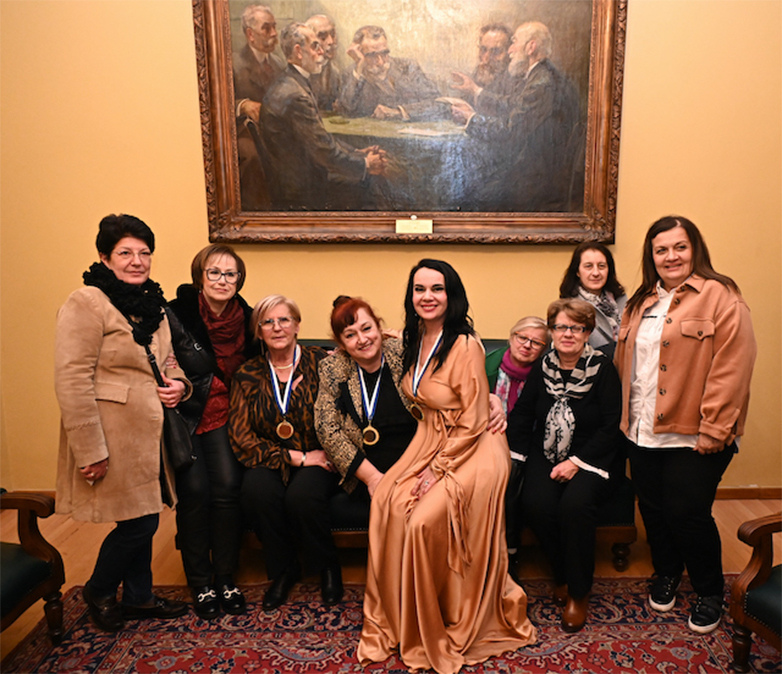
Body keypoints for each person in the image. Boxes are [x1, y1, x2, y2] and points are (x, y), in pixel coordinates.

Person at [358, 259, 536, 674]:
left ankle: (442, 617)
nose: (427, 297)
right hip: (432, 437)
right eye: (419, 289)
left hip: (475, 445)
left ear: (451, 294)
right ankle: (403, 616)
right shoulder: (413, 337)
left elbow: (473, 418)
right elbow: (378, 337)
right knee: (386, 500)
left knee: (423, 520)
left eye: (436, 289)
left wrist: (435, 471)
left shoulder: (466, 344)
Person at [614, 216, 756, 634]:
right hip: (641, 430)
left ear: (695, 249)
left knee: (688, 513)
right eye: (661, 250)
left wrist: (715, 428)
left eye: (680, 247)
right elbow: (627, 366)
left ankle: (710, 591)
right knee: (653, 510)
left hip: (696, 433)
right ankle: (667, 572)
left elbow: (733, 368)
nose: (671, 256)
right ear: (651, 256)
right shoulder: (640, 301)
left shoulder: (722, 297)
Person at [54, 214, 188, 632]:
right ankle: (99, 589)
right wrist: (89, 450)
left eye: (144, 253)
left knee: (142, 513)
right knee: (140, 523)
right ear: (105, 257)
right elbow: (72, 379)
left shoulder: (154, 305)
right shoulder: (87, 302)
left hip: (149, 435)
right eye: (125, 253)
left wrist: (179, 384)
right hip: (111, 435)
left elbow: (168, 359)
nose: (137, 261)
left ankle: (138, 597)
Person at [507, 299, 622, 632]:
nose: (567, 334)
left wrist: (575, 462)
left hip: (591, 456)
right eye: (560, 327)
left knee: (574, 506)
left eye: (576, 327)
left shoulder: (603, 368)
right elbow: (523, 414)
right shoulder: (543, 366)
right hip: (546, 452)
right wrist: (513, 458)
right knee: (536, 504)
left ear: (587, 333)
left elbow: (610, 426)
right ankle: (561, 574)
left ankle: (578, 592)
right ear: (552, 331)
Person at [229, 295, 342, 611]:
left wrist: (320, 454)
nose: (276, 327)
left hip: (320, 454)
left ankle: (327, 567)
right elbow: (241, 437)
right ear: (258, 331)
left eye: (284, 320)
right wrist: (295, 458)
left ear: (297, 325)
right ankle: (284, 570)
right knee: (256, 492)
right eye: (267, 322)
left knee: (302, 496)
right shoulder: (247, 374)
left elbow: (345, 410)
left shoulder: (322, 363)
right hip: (272, 456)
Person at [166, 244, 257, 619]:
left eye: (230, 274)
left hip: (227, 414)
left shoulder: (249, 318)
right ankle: (200, 582)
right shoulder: (175, 313)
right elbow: (160, 359)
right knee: (195, 492)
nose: (222, 280)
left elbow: (272, 355)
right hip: (187, 412)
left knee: (226, 489)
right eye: (214, 272)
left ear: (239, 280)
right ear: (199, 277)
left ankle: (225, 577)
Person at [451, 21, 580, 212]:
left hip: (536, 182)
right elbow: (512, 103)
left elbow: (511, 130)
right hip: (534, 171)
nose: (510, 49)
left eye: (514, 42)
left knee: (466, 194)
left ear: (531, 47)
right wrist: (476, 91)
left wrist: (471, 119)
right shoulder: (541, 74)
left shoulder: (543, 82)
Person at [260, 22, 387, 210]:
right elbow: (323, 150)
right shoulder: (294, 94)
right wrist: (365, 164)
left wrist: (357, 152)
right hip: (302, 189)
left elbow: (321, 139)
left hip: (305, 176)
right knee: (372, 182)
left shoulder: (293, 82)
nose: (322, 52)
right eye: (315, 46)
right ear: (299, 52)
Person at [485, 315, 550, 576]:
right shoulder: (485, 363)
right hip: (486, 438)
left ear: (543, 349)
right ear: (511, 338)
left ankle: (509, 552)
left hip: (529, 443)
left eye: (536, 342)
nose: (527, 345)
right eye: (522, 338)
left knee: (510, 475)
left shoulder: (546, 373)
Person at [233, 4, 285, 211]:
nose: (274, 33)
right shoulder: (232, 64)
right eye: (266, 28)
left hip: (275, 129)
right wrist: (242, 105)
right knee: (253, 157)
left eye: (274, 27)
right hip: (245, 130)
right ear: (250, 34)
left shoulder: (279, 64)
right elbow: (213, 105)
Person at [338, 25, 443, 121]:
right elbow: (346, 111)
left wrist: (399, 112)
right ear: (360, 53)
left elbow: (439, 103)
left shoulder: (407, 67)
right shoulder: (352, 75)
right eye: (372, 55)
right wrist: (360, 66)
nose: (381, 62)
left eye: (384, 53)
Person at [559, 242, 627, 357]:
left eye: (601, 266)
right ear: (577, 271)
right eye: (588, 266)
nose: (596, 273)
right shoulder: (568, 307)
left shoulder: (623, 301)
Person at [451, 23, 515, 117]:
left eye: (496, 51)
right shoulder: (481, 71)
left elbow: (507, 111)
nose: (486, 58)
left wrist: (474, 90)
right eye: (483, 50)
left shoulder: (514, 79)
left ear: (509, 53)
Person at [305, 14, 342, 112]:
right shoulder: (303, 72)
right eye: (322, 37)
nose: (331, 41)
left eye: (333, 35)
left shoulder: (335, 72)